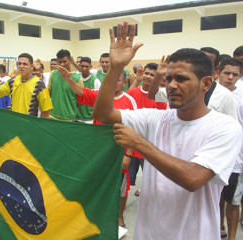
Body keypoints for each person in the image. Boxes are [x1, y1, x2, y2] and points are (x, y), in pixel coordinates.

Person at [92, 21, 242, 240]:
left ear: (206, 83)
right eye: (169, 78)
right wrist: (115, 68)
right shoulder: (156, 118)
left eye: (181, 79)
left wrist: (140, 144)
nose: (171, 85)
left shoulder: (225, 128)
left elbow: (193, 178)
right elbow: (103, 114)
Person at [57, 65, 136, 228]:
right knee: (99, 182)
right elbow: (81, 91)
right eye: (111, 80)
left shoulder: (129, 101)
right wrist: (68, 79)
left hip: (119, 152)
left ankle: (119, 217)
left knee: (121, 188)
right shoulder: (101, 96)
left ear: (124, 82)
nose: (114, 84)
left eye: (118, 80)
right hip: (99, 152)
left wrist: (128, 155)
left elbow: (135, 129)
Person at [125, 62, 168, 196]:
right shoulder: (132, 92)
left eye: (152, 75)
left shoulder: (161, 98)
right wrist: (136, 81)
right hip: (130, 146)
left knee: (151, 181)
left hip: (149, 146)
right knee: (125, 181)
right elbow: (123, 100)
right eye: (147, 73)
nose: (148, 77)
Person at [218, 57, 243, 240]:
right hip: (214, 156)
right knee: (214, 197)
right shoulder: (208, 92)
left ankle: (232, 237)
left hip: (236, 159)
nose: (230, 77)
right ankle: (218, 229)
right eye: (227, 72)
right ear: (219, 71)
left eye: (235, 74)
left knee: (233, 201)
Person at [0, 53, 52, 117]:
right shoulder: (12, 81)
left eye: (25, 64)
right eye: (19, 64)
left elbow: (45, 110)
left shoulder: (39, 84)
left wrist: (38, 126)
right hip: (14, 122)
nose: (21, 66)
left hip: (29, 124)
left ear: (32, 66)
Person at [48, 49, 83, 121]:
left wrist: (69, 106)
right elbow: (49, 92)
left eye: (64, 61)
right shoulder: (53, 74)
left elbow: (81, 100)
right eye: (59, 62)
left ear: (70, 61)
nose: (62, 64)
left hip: (69, 118)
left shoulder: (77, 78)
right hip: (52, 116)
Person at [75, 57, 101, 123]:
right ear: (79, 66)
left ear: (91, 67)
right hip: (75, 117)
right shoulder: (75, 78)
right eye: (82, 66)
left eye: (87, 66)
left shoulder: (95, 81)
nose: (84, 68)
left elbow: (99, 100)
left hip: (90, 118)